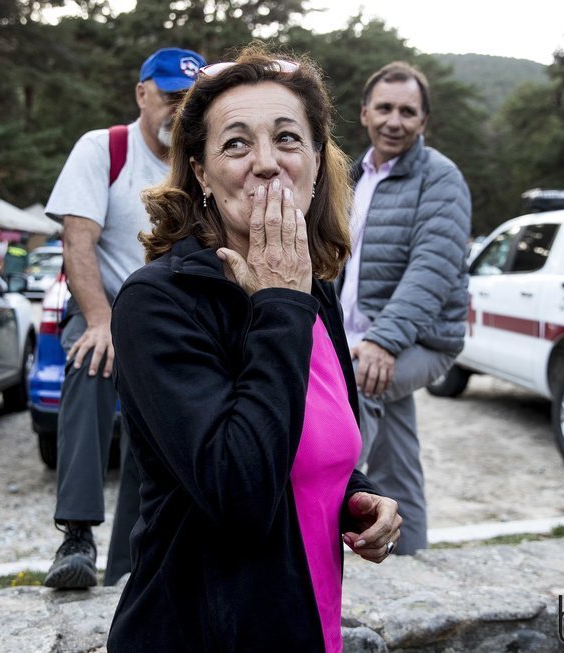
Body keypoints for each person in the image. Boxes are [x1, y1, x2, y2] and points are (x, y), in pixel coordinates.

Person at [107, 47, 402, 652]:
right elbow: (238, 490)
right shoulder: (159, 301)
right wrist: (278, 303)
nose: (267, 164)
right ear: (200, 172)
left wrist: (356, 496)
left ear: (316, 165)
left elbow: (305, 437)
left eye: (288, 139)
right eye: (236, 144)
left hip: (305, 625)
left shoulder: (311, 290)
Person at [43, 46, 206, 589]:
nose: (176, 113)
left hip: (174, 320)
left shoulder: (204, 163)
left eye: (188, 102)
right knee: (90, 363)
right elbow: (78, 240)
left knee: (158, 419)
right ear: (142, 93)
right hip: (107, 305)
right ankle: (77, 533)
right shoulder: (104, 149)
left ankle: (132, 563)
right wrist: (100, 318)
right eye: (167, 98)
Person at [338, 61, 471, 555]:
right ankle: (411, 557)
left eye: (408, 112)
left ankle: (332, 528)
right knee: (398, 453)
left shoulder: (440, 178)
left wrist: (383, 340)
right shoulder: (350, 176)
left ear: (423, 121)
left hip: (419, 339)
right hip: (358, 338)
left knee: (348, 403)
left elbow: (432, 269)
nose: (395, 120)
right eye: (385, 108)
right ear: (366, 112)